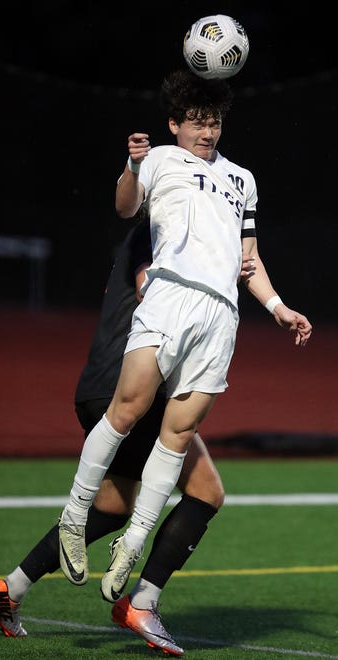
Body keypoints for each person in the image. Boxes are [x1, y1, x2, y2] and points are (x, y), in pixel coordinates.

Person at [58, 68, 312, 628]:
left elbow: (250, 260)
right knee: (125, 410)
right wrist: (131, 164)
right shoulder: (160, 161)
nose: (208, 131)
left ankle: (131, 546)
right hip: (169, 297)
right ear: (175, 123)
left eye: (215, 122)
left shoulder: (242, 179)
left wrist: (277, 307)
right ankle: (74, 517)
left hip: (220, 316)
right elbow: (126, 208)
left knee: (176, 436)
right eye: (197, 122)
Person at [0, 215, 255, 655]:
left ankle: (8, 589)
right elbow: (148, 287)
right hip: (130, 388)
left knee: (112, 506)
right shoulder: (167, 225)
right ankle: (143, 602)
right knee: (206, 492)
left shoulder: (164, 226)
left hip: (101, 385)